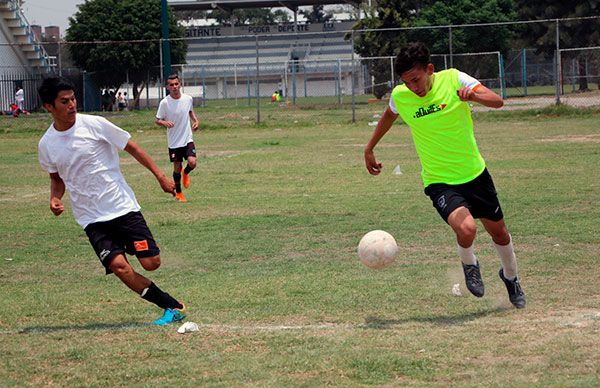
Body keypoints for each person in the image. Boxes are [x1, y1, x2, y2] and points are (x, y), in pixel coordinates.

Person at [364, 42, 526, 308]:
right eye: (407, 82)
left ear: (429, 69)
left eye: (416, 79)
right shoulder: (401, 95)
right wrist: (369, 148)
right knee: (466, 228)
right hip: (439, 181)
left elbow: (497, 101)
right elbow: (388, 116)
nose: (413, 88)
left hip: (475, 174)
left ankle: (511, 277)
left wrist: (473, 97)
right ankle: (470, 265)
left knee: (499, 233)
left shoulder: (454, 79)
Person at [37, 77, 187, 325]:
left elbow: (133, 148)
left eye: (73, 99)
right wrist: (55, 198)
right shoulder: (46, 144)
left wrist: (160, 176)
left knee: (151, 263)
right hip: (91, 218)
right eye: (64, 102)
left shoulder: (94, 124)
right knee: (120, 268)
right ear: (49, 107)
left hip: (121, 207)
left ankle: (131, 246)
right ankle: (172, 306)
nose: (72, 105)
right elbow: (56, 177)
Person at [155, 74, 199, 203]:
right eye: (171, 85)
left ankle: (186, 173)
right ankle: (179, 193)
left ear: (180, 84)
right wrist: (164, 123)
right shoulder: (164, 103)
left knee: (192, 162)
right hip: (174, 141)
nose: (174, 87)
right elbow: (157, 120)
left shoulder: (188, 99)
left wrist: (195, 121)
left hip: (187, 138)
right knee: (177, 166)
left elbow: (190, 111)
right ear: (168, 87)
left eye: (176, 84)